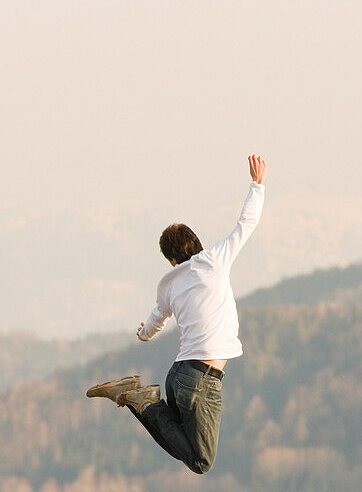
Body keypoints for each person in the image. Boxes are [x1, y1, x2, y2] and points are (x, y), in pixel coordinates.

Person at [86, 154, 267, 474]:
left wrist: (143, 333)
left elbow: (155, 321)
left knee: (187, 446)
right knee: (201, 461)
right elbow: (245, 225)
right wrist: (257, 185)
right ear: (197, 244)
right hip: (201, 381)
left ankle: (144, 401)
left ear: (171, 260)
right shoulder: (215, 260)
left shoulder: (167, 285)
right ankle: (142, 401)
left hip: (180, 375)